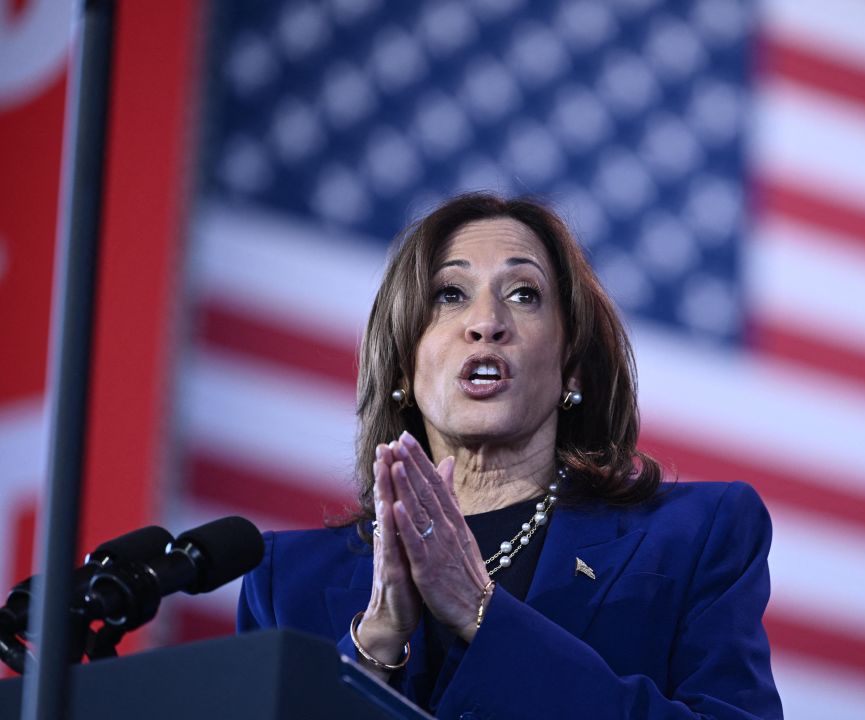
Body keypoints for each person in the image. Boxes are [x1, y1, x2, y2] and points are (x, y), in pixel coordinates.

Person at [237, 193, 782, 719]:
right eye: (449, 294)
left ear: (571, 367)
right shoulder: (285, 584)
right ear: (403, 366)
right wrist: (374, 645)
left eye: (523, 294)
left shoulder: (694, 536)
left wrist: (483, 614)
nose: (486, 322)